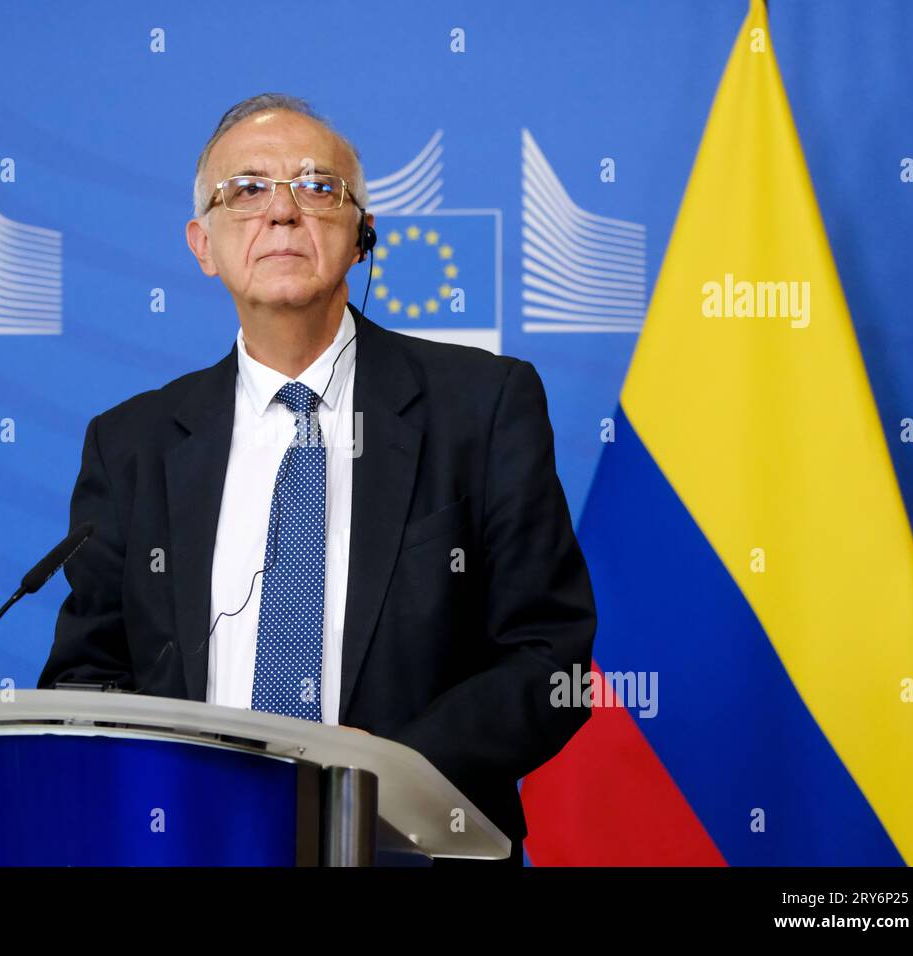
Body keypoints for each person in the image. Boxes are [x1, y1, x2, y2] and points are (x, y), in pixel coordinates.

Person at [38, 93, 596, 867]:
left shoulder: (483, 406)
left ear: (362, 234)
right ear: (203, 244)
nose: (283, 211)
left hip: (414, 850)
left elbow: (550, 658)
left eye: (318, 186)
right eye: (247, 189)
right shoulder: (131, 444)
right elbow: (85, 677)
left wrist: (381, 770)